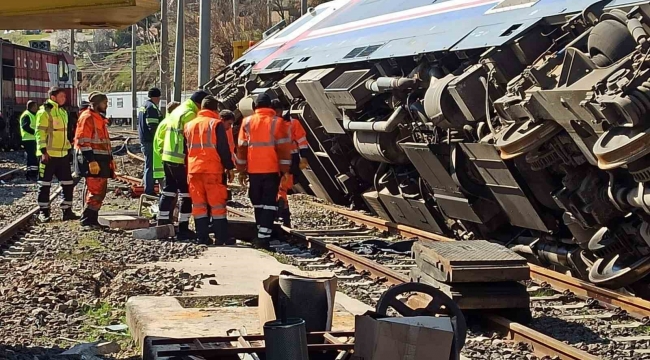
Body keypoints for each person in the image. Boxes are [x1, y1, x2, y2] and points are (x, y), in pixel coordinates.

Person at [236, 94, 292, 248]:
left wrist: (241, 169)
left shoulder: (246, 122)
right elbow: (284, 149)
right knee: (269, 203)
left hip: (253, 170)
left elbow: (241, 147)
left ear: (255, 107)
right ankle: (263, 237)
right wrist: (285, 171)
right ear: (270, 107)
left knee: (258, 203)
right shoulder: (278, 123)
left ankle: (262, 233)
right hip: (272, 170)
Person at [158, 90, 210, 240]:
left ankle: (162, 222)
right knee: (186, 194)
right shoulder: (190, 114)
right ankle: (183, 227)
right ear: (200, 103)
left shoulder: (178, 111)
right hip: (180, 159)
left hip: (168, 156)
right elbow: (190, 139)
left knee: (168, 190)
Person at [185, 96, 235, 245]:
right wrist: (229, 167)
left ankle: (202, 237)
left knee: (199, 205)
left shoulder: (189, 125)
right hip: (212, 170)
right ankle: (221, 237)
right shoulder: (216, 124)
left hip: (194, 170)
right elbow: (223, 148)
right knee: (217, 205)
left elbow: (185, 149)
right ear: (215, 109)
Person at [35, 87, 78, 222]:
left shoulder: (62, 111)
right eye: (61, 96)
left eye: (64, 97)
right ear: (53, 97)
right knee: (44, 184)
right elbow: (40, 133)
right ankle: (44, 212)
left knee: (67, 183)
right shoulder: (45, 112)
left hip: (62, 154)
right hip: (48, 155)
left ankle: (67, 211)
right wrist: (43, 151)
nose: (64, 98)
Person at [74, 92, 114, 229]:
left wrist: (110, 160)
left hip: (100, 159)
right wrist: (91, 160)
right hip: (92, 160)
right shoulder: (88, 117)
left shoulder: (98, 118)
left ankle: (92, 220)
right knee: (96, 191)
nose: (107, 105)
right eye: (105, 103)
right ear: (97, 104)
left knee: (100, 191)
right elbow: (82, 141)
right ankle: (87, 220)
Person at [271, 100, 310, 227]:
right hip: (290, 159)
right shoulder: (293, 123)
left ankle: (280, 210)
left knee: (279, 186)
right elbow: (302, 141)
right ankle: (284, 213)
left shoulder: (270, 124)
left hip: (277, 159)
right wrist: (303, 157)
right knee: (283, 186)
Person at [138, 88, 163, 196]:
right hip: (150, 141)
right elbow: (152, 126)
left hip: (145, 139)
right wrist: (158, 139)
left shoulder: (144, 106)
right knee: (150, 166)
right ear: (156, 97)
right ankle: (149, 190)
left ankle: (148, 187)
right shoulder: (151, 107)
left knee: (148, 165)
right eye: (159, 97)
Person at [153, 101, 180, 187]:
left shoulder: (166, 122)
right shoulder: (169, 123)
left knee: (168, 192)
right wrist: (167, 160)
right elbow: (161, 144)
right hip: (164, 166)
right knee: (168, 192)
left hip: (163, 165)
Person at [219, 109, 236, 201]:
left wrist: (229, 167)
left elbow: (230, 148)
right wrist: (229, 167)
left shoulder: (227, 129)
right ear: (222, 120)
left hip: (221, 166)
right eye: (229, 123)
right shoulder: (218, 129)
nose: (230, 127)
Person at [20, 100, 39, 180]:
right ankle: (31, 175)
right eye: (35, 106)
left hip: (33, 139)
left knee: (34, 157)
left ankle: (33, 174)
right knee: (32, 157)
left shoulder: (33, 114)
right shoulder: (26, 115)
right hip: (28, 139)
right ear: (32, 107)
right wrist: (35, 132)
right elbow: (25, 127)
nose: (37, 108)